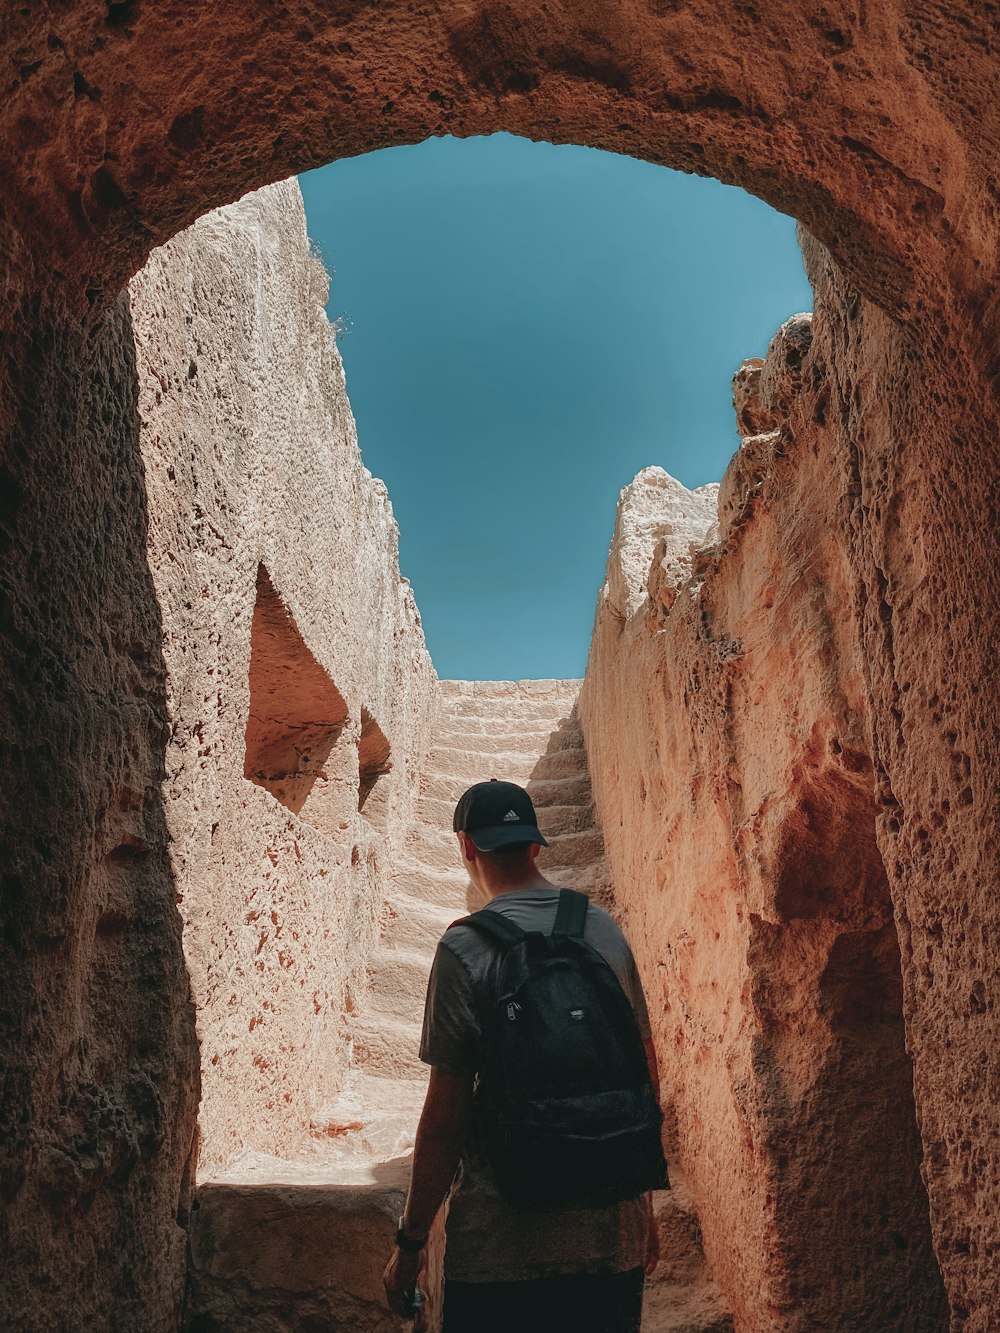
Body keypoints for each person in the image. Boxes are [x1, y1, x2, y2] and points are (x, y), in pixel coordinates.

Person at [383, 779, 662, 1333]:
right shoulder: (602, 931)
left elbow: (445, 1117)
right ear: (536, 845)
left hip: (501, 1249)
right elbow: (643, 1075)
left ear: (466, 847)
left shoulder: (464, 949)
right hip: (610, 1235)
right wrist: (642, 1206)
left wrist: (411, 1243)